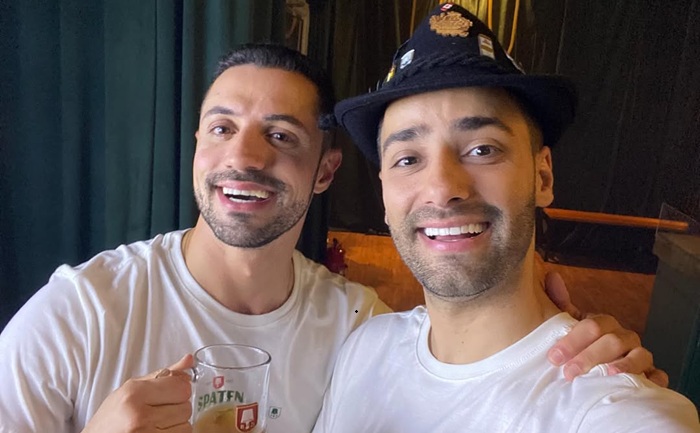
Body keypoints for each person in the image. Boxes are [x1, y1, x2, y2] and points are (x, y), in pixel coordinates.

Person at [0, 44, 662, 433]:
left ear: (326, 171)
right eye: (222, 128)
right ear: (196, 145)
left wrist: (573, 341)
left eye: (281, 135)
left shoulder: (359, 329)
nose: (244, 156)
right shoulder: (81, 312)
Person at [314, 4, 699, 432]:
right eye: (408, 159)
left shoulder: (613, 413)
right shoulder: (364, 348)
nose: (442, 187)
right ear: (385, 195)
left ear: (542, 176)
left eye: (483, 149)